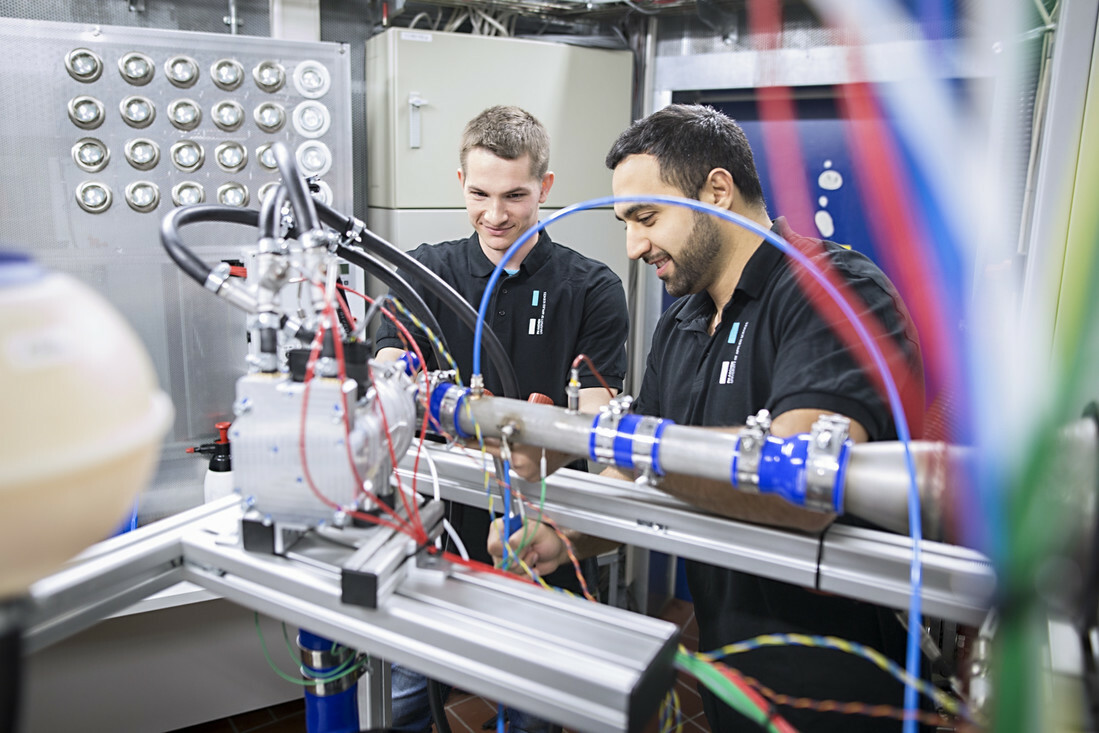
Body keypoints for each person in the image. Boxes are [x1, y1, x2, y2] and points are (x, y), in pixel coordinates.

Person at [487, 104, 927, 732]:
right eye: (625, 223)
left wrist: (615, 440)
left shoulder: (833, 291)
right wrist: (564, 535)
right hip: (732, 672)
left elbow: (802, 480)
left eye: (647, 217)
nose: (634, 245)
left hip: (838, 688)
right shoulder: (683, 321)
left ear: (717, 190)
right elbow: (642, 478)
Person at [373, 105, 629, 733]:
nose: (495, 215)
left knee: (532, 711)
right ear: (459, 180)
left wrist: (556, 443)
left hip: (539, 528)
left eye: (515, 195)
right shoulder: (421, 272)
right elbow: (385, 374)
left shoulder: (591, 288)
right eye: (480, 193)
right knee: (406, 696)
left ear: (545, 186)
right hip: (430, 525)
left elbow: (596, 426)